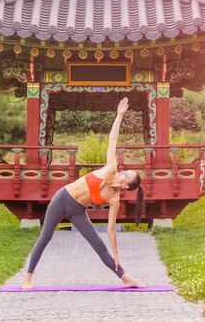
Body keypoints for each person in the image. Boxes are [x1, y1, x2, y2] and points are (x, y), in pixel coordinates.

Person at [22, 97, 145, 290]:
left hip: (78, 211)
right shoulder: (111, 168)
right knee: (45, 237)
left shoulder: (115, 199)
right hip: (62, 199)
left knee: (99, 246)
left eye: (126, 175)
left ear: (126, 186)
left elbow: (111, 231)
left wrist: (117, 256)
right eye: (125, 170)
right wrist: (119, 115)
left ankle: (126, 278)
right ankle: (28, 278)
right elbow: (112, 139)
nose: (123, 171)